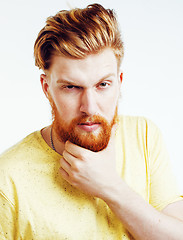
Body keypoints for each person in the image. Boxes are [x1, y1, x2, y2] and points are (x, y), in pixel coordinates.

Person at [0, 3, 183, 239]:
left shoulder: (143, 136)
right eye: (71, 87)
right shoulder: (8, 178)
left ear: (119, 81)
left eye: (103, 85)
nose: (90, 107)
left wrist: (110, 188)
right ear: (46, 88)